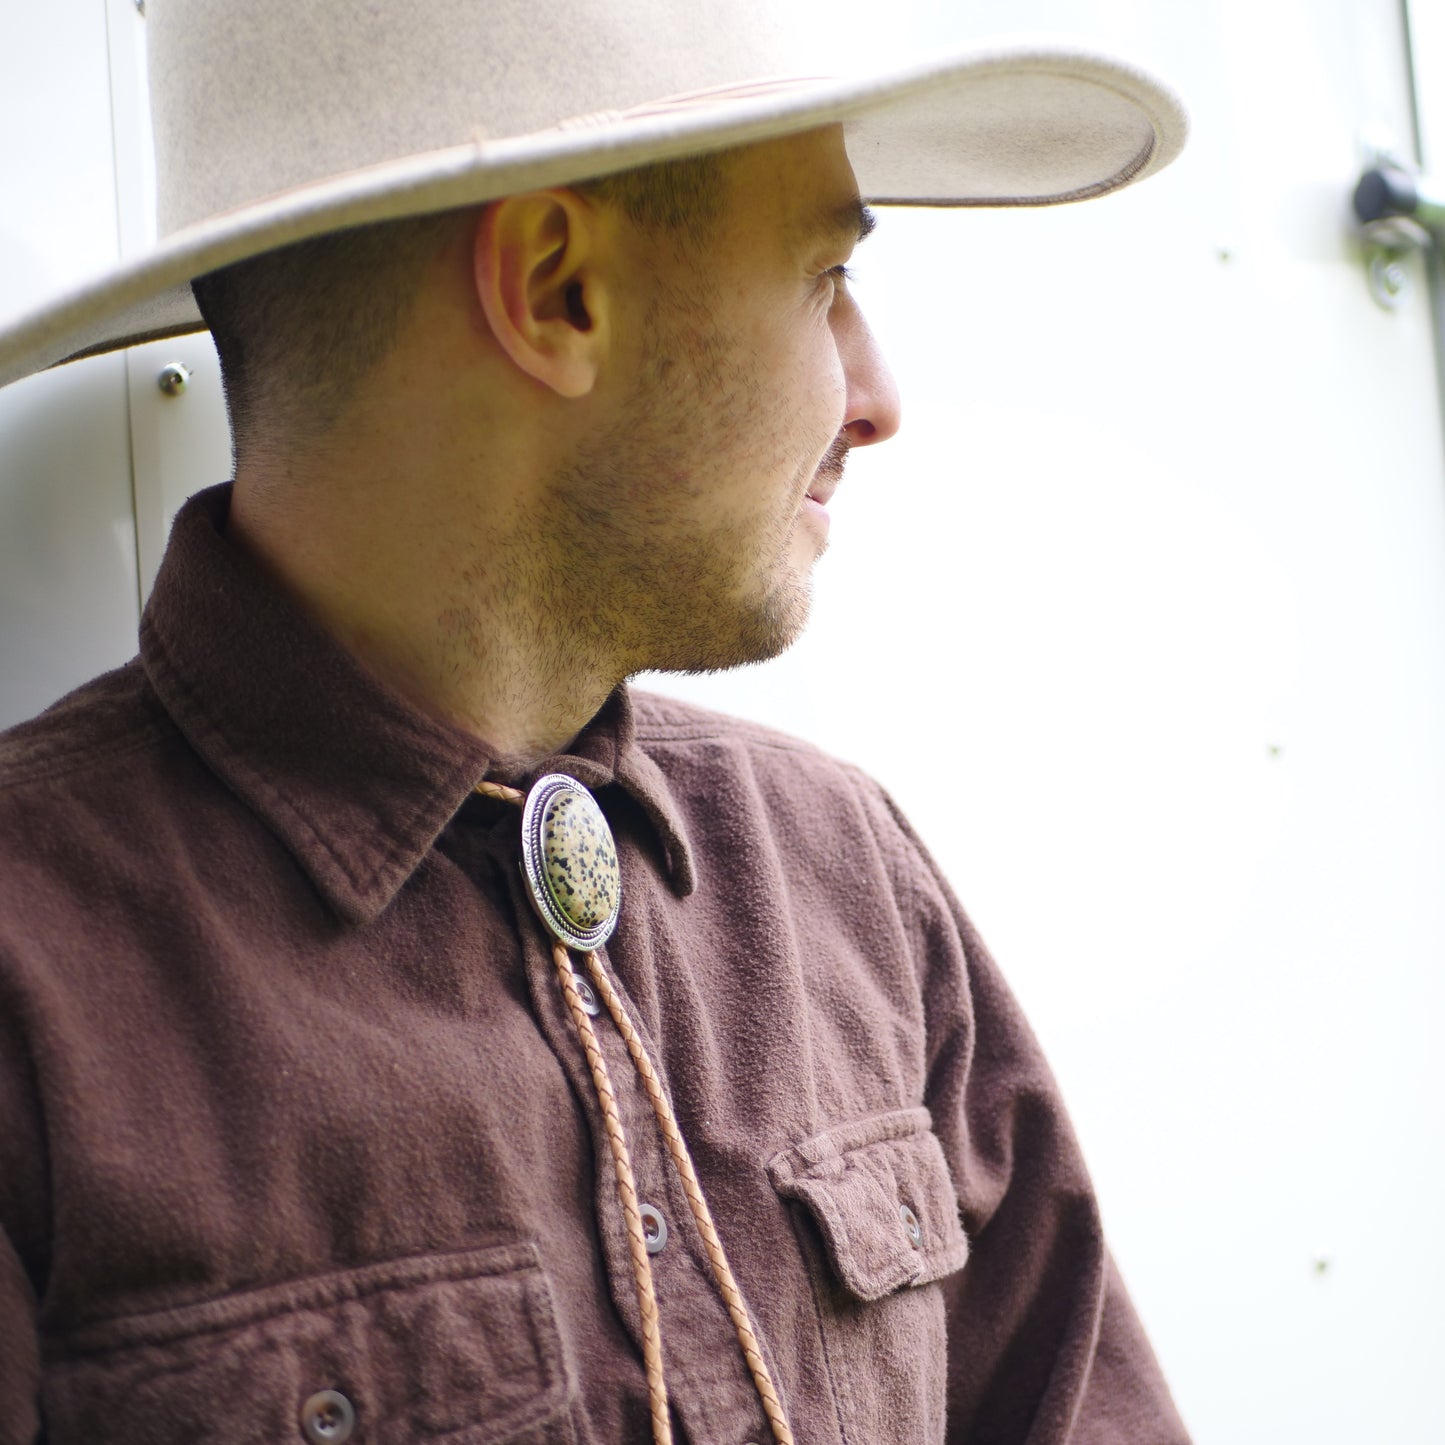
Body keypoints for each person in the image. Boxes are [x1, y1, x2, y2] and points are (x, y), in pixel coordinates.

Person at [0, 2, 1192, 1441]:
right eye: (823, 278)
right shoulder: (33, 974)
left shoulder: (838, 866)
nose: (875, 400)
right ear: (558, 291)